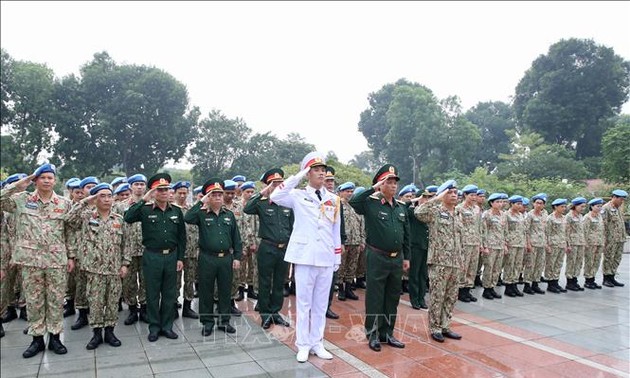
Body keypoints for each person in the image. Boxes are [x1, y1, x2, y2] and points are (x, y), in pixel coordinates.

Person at [270, 152, 341, 363]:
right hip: (304, 257)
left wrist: (337, 256)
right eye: (316, 170)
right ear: (308, 173)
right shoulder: (297, 195)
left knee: (320, 304)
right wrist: (298, 176)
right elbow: (275, 196)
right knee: (303, 304)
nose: (321, 173)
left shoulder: (333, 198)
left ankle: (317, 342)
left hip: (326, 257)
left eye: (323, 170)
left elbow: (335, 228)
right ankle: (302, 344)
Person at [1, 164, 75, 358]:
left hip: (56, 260)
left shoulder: (64, 203)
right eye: (42, 177)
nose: (47, 180)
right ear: (35, 180)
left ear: (55, 180)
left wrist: (72, 256)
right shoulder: (21, 200)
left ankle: (55, 338)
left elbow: (70, 231)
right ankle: (37, 340)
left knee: (56, 300)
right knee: (34, 301)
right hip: (30, 260)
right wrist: (19, 184)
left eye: (50, 177)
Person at [350, 164, 410, 351]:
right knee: (375, 297)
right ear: (380, 184)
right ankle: (373, 334)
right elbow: (354, 202)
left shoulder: (401, 207)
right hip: (377, 256)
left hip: (396, 258)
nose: (393, 186)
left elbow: (406, 234)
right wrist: (374, 188)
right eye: (388, 182)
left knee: (392, 297)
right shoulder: (371, 203)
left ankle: (387, 333)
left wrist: (406, 257)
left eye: (394, 183)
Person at [66, 183, 130, 350]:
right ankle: (96, 333)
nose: (107, 199)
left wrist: (125, 264)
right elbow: (68, 219)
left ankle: (110, 331)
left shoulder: (118, 219)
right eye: (102, 196)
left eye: (109, 196)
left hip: (114, 269)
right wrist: (87, 200)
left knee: (112, 301)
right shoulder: (86, 217)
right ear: (95, 198)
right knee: (95, 302)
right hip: (93, 270)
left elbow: (126, 244)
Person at [123, 173, 185, 342]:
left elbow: (181, 237)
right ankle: (154, 327)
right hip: (152, 256)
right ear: (153, 192)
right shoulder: (144, 210)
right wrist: (144, 198)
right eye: (160, 190)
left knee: (169, 293)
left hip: (171, 256)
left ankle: (167, 326)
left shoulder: (177, 212)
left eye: (166, 189)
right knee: (152, 294)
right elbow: (128, 218)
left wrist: (180, 258)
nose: (164, 192)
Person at [184, 178, 242, 336]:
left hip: (225, 259)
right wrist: (201, 202)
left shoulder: (229, 215)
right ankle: (207, 322)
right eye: (213, 194)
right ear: (208, 197)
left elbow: (236, 238)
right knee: (206, 291)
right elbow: (187, 218)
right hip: (207, 258)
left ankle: (224, 322)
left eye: (219, 194)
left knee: (225, 291)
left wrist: (237, 257)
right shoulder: (201, 214)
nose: (217, 197)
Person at [243, 169, 293, 329]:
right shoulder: (262, 203)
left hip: (283, 248)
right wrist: (264, 192)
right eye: (274, 184)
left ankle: (275, 312)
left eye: (280, 183)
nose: (278, 186)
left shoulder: (287, 204)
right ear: (268, 185)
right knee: (264, 282)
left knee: (279, 282)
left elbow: (292, 226)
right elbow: (247, 208)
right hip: (267, 247)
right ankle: (265, 314)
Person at [415, 180, 462, 343]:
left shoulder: (458, 213)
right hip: (439, 261)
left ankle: (445, 325)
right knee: (437, 296)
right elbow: (418, 213)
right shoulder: (435, 211)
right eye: (450, 192)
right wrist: (435, 198)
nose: (454, 195)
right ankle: (435, 327)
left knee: (451, 296)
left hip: (455, 262)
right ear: (442, 194)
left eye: (456, 192)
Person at [116, 174, 149, 325]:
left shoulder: (151, 205)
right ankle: (132, 309)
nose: (140, 187)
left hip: (147, 249)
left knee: (146, 280)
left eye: (142, 184)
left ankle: (144, 308)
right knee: (129, 282)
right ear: (130, 187)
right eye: (136, 184)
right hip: (127, 250)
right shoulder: (120, 206)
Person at [172, 181, 199, 319]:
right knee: (175, 281)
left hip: (192, 251)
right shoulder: (171, 209)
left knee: (190, 280)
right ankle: (174, 304)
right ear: (175, 193)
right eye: (180, 193)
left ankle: (188, 307)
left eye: (184, 193)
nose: (182, 195)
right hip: (176, 252)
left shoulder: (192, 209)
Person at [336, 182, 364, 302]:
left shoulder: (356, 206)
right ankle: (341, 289)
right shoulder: (338, 205)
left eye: (351, 191)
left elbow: (362, 224)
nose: (350, 194)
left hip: (356, 241)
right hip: (345, 241)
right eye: (347, 191)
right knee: (341, 266)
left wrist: (362, 240)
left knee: (352, 266)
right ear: (341, 192)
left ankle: (348, 287)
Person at [407, 187, 433, 310]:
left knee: (423, 274)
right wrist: (414, 201)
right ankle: (414, 298)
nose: (426, 200)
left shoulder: (430, 212)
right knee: (414, 273)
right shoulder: (412, 211)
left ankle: (421, 297)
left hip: (426, 246)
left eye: (428, 197)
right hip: (415, 246)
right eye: (424, 197)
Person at [456, 184, 482, 303]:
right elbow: (457, 227)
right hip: (464, 242)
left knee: (472, 267)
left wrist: (480, 242)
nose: (474, 197)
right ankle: (461, 291)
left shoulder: (477, 209)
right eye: (471, 195)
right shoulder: (459, 208)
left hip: (475, 242)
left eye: (475, 195)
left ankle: (468, 289)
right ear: (465, 195)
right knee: (463, 267)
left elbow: (479, 226)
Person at [480, 193, 508, 300]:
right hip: (490, 245)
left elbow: (505, 231)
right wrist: (485, 246)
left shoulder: (503, 215)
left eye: (501, 202)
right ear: (491, 203)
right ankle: (486, 289)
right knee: (489, 267)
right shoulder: (487, 214)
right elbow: (483, 230)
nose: (500, 204)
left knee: (497, 268)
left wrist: (505, 244)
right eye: (497, 202)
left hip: (500, 245)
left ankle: (492, 287)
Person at [601, 189, 627, 287]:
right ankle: (606, 278)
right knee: (608, 258)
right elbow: (603, 225)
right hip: (610, 239)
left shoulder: (618, 208)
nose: (622, 201)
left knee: (617, 258)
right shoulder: (606, 208)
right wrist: (604, 240)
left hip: (620, 239)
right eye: (621, 199)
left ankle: (612, 277)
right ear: (614, 197)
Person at [239, 181, 259, 301]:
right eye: (247, 192)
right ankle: (240, 289)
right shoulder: (238, 206)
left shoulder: (256, 206)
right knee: (241, 267)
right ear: (242, 192)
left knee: (253, 267)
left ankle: (251, 289)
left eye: (252, 192)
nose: (250, 194)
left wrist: (255, 241)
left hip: (254, 241)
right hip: (242, 241)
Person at [523, 194, 548, 294]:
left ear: (544, 205)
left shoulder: (544, 215)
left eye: (541, 203)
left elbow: (545, 230)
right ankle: (527, 284)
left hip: (541, 243)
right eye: (537, 203)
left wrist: (546, 243)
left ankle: (535, 283)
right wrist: (528, 244)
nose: (539, 205)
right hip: (532, 243)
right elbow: (526, 231)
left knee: (539, 264)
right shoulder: (530, 215)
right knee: (530, 264)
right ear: (533, 204)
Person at [545, 199, 569, 294]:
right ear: (555, 207)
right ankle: (550, 284)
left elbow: (565, 232)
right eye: (562, 206)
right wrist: (547, 245)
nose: (564, 208)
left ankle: (555, 281)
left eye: (564, 206)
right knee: (551, 264)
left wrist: (567, 244)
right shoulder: (550, 218)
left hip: (561, 244)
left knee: (558, 264)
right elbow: (546, 233)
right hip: (553, 244)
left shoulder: (564, 218)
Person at [504, 195, 526, 297]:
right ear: (511, 204)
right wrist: (506, 243)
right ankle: (508, 286)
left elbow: (523, 231)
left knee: (518, 265)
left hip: (520, 243)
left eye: (521, 204)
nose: (519, 206)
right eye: (517, 204)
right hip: (511, 243)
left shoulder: (521, 215)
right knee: (510, 264)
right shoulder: (506, 215)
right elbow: (505, 230)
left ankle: (514, 284)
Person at [565, 197, 587, 291]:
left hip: (580, 242)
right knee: (571, 262)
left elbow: (582, 230)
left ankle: (575, 280)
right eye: (581, 206)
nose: (583, 208)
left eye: (584, 207)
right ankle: (569, 282)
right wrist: (567, 244)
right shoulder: (569, 216)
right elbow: (566, 231)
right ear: (575, 206)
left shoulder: (580, 216)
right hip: (572, 243)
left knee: (578, 262)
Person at [583, 198, 605, 289]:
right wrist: (586, 244)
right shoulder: (587, 217)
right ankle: (588, 280)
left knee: (596, 261)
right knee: (589, 261)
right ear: (592, 206)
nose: (599, 208)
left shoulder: (599, 216)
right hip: (591, 243)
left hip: (599, 242)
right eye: (597, 206)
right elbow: (585, 231)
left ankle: (593, 279)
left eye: (600, 206)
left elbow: (602, 230)